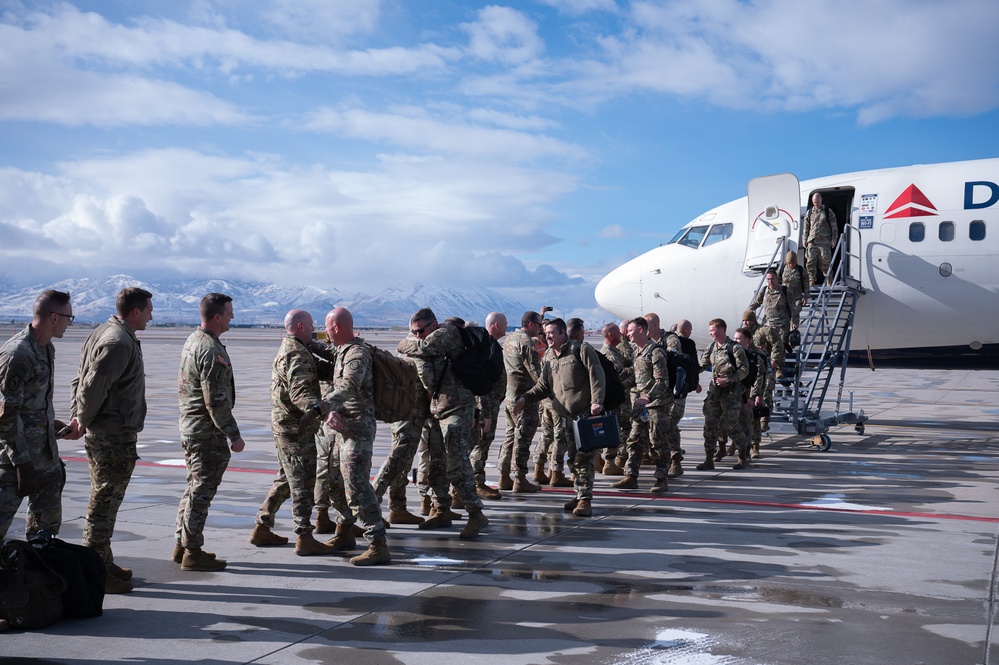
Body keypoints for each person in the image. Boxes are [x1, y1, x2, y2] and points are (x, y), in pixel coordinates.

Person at [71, 286, 154, 594]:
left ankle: (102, 561)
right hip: (111, 435)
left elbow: (79, 379)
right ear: (135, 312)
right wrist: (83, 419)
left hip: (110, 431)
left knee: (106, 499)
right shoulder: (117, 341)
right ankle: (95, 571)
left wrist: (79, 417)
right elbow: (91, 386)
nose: (151, 315)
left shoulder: (108, 333)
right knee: (104, 503)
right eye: (148, 310)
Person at [396, 308, 488, 539]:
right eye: (413, 332)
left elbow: (424, 348)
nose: (418, 336)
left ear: (434, 324)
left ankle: (476, 514)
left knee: (457, 462)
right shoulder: (431, 335)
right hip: (439, 410)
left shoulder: (447, 333)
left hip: (457, 408)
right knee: (437, 461)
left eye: (421, 330)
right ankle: (441, 509)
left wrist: (402, 343)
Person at [250, 309, 335, 556]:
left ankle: (262, 527)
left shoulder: (297, 348)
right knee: (303, 482)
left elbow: (321, 370)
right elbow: (300, 393)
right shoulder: (296, 353)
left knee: (286, 479)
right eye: (310, 326)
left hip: (286, 426)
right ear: (300, 327)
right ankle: (304, 536)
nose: (313, 329)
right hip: (294, 429)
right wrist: (323, 411)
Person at [174, 293, 245, 572]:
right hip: (205, 433)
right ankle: (192, 551)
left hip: (191, 428)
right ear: (217, 316)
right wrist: (233, 434)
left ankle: (182, 543)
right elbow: (215, 401)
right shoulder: (211, 351)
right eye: (229, 313)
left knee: (193, 487)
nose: (232, 317)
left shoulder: (194, 341)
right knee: (201, 491)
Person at [317, 307, 390, 565]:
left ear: (336, 327)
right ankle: (344, 532)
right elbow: (324, 350)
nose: (325, 332)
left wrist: (324, 404)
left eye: (327, 328)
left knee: (357, 486)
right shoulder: (342, 351)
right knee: (335, 482)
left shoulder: (357, 353)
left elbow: (349, 385)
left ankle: (377, 543)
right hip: (341, 428)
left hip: (357, 430)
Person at [0, 290, 73, 542]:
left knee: (44, 535)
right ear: (54, 317)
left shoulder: (45, 348)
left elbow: (32, 404)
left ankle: (35, 575)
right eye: (68, 317)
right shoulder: (18, 354)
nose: (69, 322)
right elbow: (6, 415)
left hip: (44, 458)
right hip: (14, 463)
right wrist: (22, 464)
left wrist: (50, 424)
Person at [513, 318, 605, 516]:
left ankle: (585, 500)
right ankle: (580, 493)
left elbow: (596, 375)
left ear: (563, 333)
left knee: (584, 458)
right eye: (546, 333)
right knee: (572, 458)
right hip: (564, 416)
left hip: (584, 415)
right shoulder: (548, 357)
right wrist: (525, 399)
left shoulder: (580, 350)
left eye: (552, 333)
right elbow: (543, 386)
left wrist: (597, 401)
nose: (548, 336)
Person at [612, 317, 671, 493]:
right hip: (640, 406)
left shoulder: (655, 352)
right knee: (635, 440)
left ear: (640, 330)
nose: (627, 334)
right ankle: (631, 477)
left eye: (630, 331)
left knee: (658, 442)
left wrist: (647, 396)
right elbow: (638, 380)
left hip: (656, 406)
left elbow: (662, 381)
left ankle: (661, 479)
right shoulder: (638, 352)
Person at [497, 311, 545, 493]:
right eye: (539, 325)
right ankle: (519, 478)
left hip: (510, 395)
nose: (541, 329)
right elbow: (535, 372)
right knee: (523, 437)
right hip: (525, 397)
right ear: (531, 324)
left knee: (510, 436)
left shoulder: (510, 338)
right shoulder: (526, 342)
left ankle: (503, 476)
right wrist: (548, 390)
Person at [696, 318, 751, 471]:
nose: (710, 333)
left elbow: (744, 370)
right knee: (710, 426)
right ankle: (709, 459)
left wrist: (729, 379)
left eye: (712, 330)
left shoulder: (735, 349)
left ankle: (743, 456)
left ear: (721, 330)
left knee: (731, 426)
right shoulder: (712, 347)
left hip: (731, 395)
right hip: (715, 393)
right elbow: (701, 365)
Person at [469, 312, 507, 500]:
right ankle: (476, 483)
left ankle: (477, 482)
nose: (507, 327)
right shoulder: (486, 347)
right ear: (497, 325)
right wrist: (485, 414)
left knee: (484, 443)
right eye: (505, 324)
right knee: (480, 444)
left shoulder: (490, 345)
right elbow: (481, 383)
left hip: (492, 403)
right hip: (487, 405)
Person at [664, 319, 702, 477]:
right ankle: (672, 458)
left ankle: (675, 459)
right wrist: (695, 383)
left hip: (672, 392)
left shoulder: (671, 343)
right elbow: (694, 365)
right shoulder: (687, 344)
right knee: (669, 425)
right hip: (678, 391)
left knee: (670, 425)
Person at [597, 322, 631, 476]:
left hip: (616, 397)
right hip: (615, 399)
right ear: (611, 335)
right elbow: (620, 375)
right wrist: (637, 367)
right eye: (618, 332)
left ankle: (604, 459)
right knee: (615, 428)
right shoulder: (609, 354)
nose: (621, 335)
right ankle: (610, 462)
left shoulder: (614, 351)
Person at [747, 268, 793, 378]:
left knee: (780, 345)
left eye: (772, 279)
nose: (770, 281)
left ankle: (778, 369)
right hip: (768, 324)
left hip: (782, 325)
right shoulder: (764, 291)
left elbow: (793, 308)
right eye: (768, 279)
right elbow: (755, 303)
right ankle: (765, 368)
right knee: (765, 345)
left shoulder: (785, 291)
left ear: (777, 279)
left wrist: (795, 322)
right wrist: (748, 312)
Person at [733, 327, 768, 460]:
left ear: (747, 340)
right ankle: (737, 445)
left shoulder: (758, 355)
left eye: (738, 339)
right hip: (738, 391)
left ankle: (755, 445)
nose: (736, 341)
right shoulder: (735, 352)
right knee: (736, 418)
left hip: (752, 391)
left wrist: (758, 395)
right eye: (735, 338)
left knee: (753, 419)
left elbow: (762, 377)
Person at [802, 192, 838, 287]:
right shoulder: (809, 213)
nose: (816, 204)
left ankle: (829, 281)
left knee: (825, 262)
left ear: (821, 200)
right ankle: (811, 280)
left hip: (824, 241)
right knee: (810, 261)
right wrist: (804, 239)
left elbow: (834, 225)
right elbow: (806, 227)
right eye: (814, 202)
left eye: (817, 202)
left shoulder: (827, 211)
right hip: (812, 241)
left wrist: (834, 239)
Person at [779, 250, 808, 329]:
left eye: (793, 263)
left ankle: (794, 330)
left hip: (796, 297)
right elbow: (777, 282)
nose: (791, 265)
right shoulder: (782, 270)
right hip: (785, 298)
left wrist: (806, 296)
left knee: (795, 312)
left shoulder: (801, 270)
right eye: (789, 263)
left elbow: (806, 284)